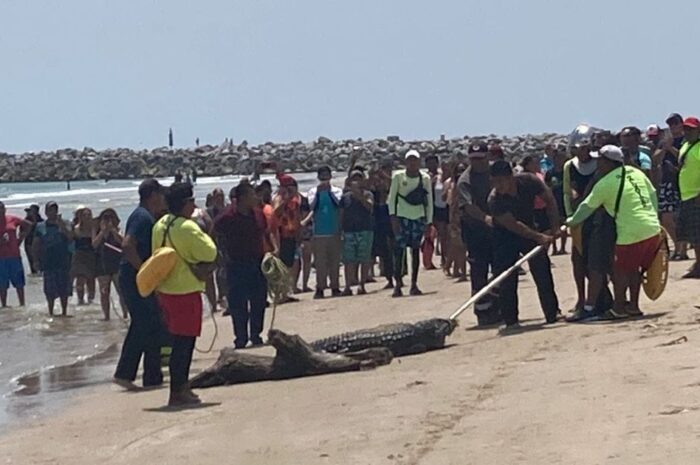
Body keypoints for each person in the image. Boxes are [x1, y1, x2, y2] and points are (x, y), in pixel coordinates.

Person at [567, 145, 661, 317]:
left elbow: (586, 207)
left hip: (630, 234)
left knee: (620, 271)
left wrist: (571, 222)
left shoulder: (605, 183)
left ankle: (618, 309)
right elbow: (653, 195)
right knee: (634, 269)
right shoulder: (636, 173)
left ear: (609, 162)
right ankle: (633, 306)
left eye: (600, 159)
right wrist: (654, 218)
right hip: (652, 229)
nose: (597, 163)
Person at [153, 182, 217, 406]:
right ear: (183, 203)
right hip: (185, 290)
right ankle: (179, 390)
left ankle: (178, 388)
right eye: (191, 201)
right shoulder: (186, 227)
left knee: (177, 342)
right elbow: (210, 251)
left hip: (165, 289)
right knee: (185, 344)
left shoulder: (160, 224)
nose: (193, 205)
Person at [488, 160, 561, 332]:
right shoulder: (494, 200)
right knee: (507, 276)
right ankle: (510, 319)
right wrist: (540, 237)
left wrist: (555, 227)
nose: (498, 186)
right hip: (505, 234)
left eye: (501, 181)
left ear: (510, 177)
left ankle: (552, 312)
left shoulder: (528, 180)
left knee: (542, 270)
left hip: (530, 226)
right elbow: (513, 224)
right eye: (494, 182)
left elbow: (549, 200)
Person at [113, 179, 168, 391]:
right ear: (152, 195)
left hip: (137, 277)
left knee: (153, 323)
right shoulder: (142, 217)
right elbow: (127, 245)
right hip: (133, 277)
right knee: (143, 323)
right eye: (161, 194)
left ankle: (153, 376)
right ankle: (124, 373)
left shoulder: (146, 216)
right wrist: (146, 271)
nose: (163, 198)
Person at [215, 183, 277, 349]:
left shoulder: (258, 214)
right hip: (236, 264)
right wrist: (219, 256)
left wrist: (273, 249)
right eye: (251, 195)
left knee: (259, 300)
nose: (255, 198)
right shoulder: (227, 216)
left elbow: (265, 232)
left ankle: (255, 335)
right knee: (238, 303)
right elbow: (213, 234)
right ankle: (240, 338)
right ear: (241, 198)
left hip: (257, 262)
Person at [458, 143, 500, 326]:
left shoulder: (495, 172)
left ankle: (500, 307)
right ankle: (483, 312)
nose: (477, 163)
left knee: (500, 269)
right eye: (473, 159)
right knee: (478, 271)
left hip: (498, 229)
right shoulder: (465, 180)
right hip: (476, 232)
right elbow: (468, 206)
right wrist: (485, 218)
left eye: (481, 159)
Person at [387, 149, 434, 297]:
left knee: (415, 251)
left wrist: (429, 221)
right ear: (406, 162)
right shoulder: (398, 177)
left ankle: (414, 284)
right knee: (398, 252)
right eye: (410, 160)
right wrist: (393, 218)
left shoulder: (425, 178)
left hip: (418, 217)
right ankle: (398, 284)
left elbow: (429, 201)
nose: (412, 163)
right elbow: (392, 198)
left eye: (415, 160)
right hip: (401, 218)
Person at [306, 166, 344, 299]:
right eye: (322, 175)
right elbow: (312, 207)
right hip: (319, 233)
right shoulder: (312, 191)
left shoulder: (337, 190)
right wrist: (318, 193)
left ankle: (335, 287)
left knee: (335, 262)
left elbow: (339, 204)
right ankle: (320, 288)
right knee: (320, 263)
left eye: (326, 175)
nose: (324, 178)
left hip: (334, 231)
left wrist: (329, 193)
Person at [653, 114, 686, 260]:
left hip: (682, 182)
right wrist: (665, 148)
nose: (673, 127)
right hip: (667, 182)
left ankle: (682, 251)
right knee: (665, 218)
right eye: (670, 124)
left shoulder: (686, 140)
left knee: (681, 218)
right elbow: (655, 160)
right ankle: (677, 246)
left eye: (675, 124)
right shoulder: (665, 141)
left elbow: (684, 157)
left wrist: (671, 148)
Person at [32, 201, 73, 316]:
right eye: (50, 210)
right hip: (48, 262)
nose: (52, 212)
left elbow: (71, 238)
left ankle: (64, 312)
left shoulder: (66, 223)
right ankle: (51, 312)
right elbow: (36, 245)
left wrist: (62, 226)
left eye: (54, 210)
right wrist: (35, 260)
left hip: (64, 261)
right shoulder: (40, 226)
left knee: (64, 290)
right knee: (49, 291)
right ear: (45, 212)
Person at [341, 170, 375, 295]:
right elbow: (341, 214)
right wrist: (341, 230)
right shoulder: (345, 197)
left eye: (359, 178)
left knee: (364, 258)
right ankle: (348, 286)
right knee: (348, 260)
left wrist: (359, 195)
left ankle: (362, 285)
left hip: (365, 230)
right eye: (354, 179)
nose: (357, 181)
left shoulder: (368, 194)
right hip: (349, 231)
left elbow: (370, 208)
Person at [272, 175, 302, 303]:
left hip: (291, 234)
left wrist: (298, 234)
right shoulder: (278, 198)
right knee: (282, 266)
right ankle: (280, 294)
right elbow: (275, 213)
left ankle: (286, 292)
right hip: (281, 235)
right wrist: (285, 200)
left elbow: (297, 218)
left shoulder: (295, 200)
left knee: (289, 265)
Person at [93, 208, 127, 320]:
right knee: (104, 293)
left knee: (121, 291)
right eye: (105, 218)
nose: (108, 221)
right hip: (102, 265)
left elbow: (123, 242)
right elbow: (94, 245)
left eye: (111, 218)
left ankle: (125, 314)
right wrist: (103, 232)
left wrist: (113, 231)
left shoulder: (118, 230)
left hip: (116, 264)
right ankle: (106, 316)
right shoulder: (97, 230)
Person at [677, 116, 700, 279]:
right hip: (686, 194)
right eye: (686, 129)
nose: (687, 132)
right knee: (692, 235)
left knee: (698, 235)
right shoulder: (685, 145)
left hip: (696, 195)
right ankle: (698, 264)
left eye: (691, 129)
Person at [368, 160, 395, 289]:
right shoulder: (373, 191)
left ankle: (396, 276)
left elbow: (392, 184)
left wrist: (384, 175)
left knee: (394, 250)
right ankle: (389, 278)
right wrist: (372, 175)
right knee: (384, 251)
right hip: (378, 221)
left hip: (390, 219)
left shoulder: (391, 186)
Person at [0, 201, 28, 307]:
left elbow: (28, 224)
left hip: (14, 256)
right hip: (1, 258)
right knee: (2, 285)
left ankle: (22, 304)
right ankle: (4, 306)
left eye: (2, 208)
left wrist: (21, 238)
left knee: (19, 284)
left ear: (5, 209)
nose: (0, 211)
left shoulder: (11, 219)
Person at [444, 162, 467, 282]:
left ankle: (456, 269)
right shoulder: (453, 186)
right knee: (459, 247)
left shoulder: (466, 184)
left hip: (466, 218)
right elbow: (451, 204)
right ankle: (459, 271)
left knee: (460, 247)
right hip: (456, 220)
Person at [71, 207, 97, 305]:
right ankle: (80, 300)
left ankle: (91, 301)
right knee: (80, 279)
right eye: (84, 215)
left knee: (91, 280)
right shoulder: (77, 228)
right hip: (80, 256)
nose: (87, 217)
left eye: (89, 215)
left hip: (91, 255)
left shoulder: (94, 228)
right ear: (81, 217)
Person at [545, 148, 568, 255]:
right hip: (553, 201)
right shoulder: (550, 173)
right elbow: (546, 186)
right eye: (557, 158)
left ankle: (563, 247)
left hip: (564, 200)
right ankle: (554, 247)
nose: (559, 160)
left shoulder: (567, 172)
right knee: (553, 224)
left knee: (564, 224)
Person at [521, 156, 550, 233]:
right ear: (527, 166)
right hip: (533, 208)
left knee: (548, 229)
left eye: (536, 163)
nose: (535, 165)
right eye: (532, 163)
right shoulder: (524, 179)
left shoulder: (540, 175)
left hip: (544, 206)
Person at [23, 204, 43, 275]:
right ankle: (34, 276)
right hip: (28, 243)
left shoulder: (41, 221)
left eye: (31, 211)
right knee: (31, 262)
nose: (28, 213)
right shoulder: (26, 220)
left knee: (40, 262)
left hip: (39, 244)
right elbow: (23, 232)